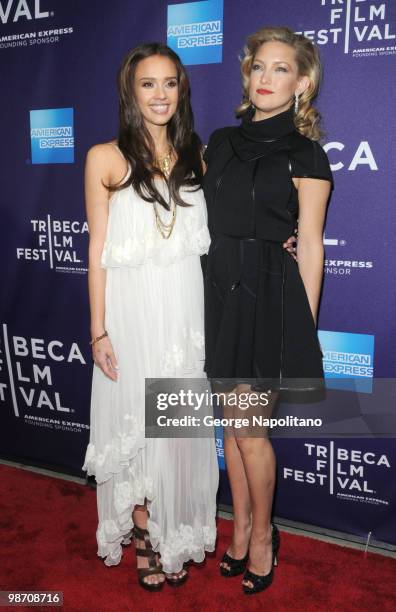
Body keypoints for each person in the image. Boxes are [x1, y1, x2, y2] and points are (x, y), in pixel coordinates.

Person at [82, 43, 219, 591]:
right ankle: (141, 530)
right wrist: (99, 329)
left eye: (169, 83)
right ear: (130, 91)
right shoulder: (105, 158)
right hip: (132, 314)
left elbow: (224, 232)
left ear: (181, 90)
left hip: (183, 313)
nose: (159, 94)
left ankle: (172, 533)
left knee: (176, 430)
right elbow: (96, 253)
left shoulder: (198, 158)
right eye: (148, 84)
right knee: (135, 423)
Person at [202, 26, 333, 595]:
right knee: (231, 432)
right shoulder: (220, 143)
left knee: (249, 432)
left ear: (301, 82)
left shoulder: (306, 155)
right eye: (258, 66)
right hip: (219, 290)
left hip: (271, 299)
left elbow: (310, 243)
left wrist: (298, 324)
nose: (265, 78)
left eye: (280, 69)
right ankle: (239, 527)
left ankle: (262, 537)